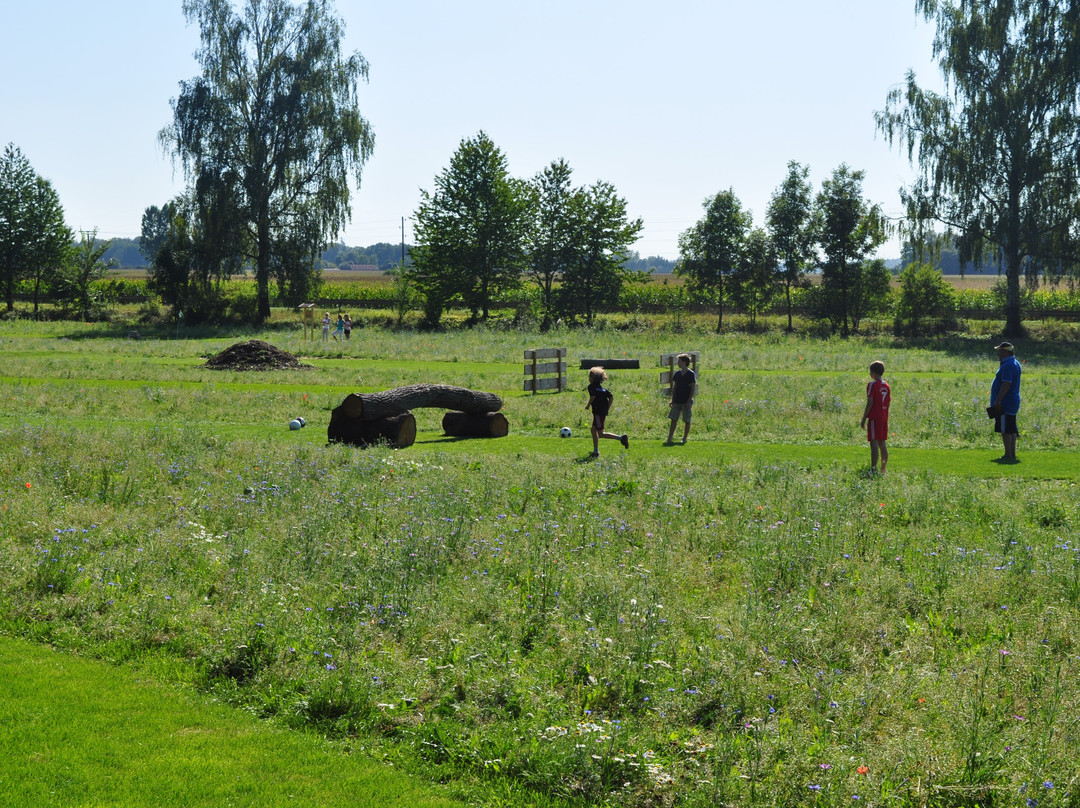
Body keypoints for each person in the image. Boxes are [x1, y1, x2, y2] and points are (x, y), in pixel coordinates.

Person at [586, 366, 629, 458]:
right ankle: (595, 452)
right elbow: (611, 397)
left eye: (589, 377)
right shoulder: (603, 389)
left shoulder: (591, 387)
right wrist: (607, 408)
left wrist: (588, 405)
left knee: (600, 433)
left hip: (597, 413)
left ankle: (621, 438)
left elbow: (592, 397)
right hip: (601, 412)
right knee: (593, 430)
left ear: (593, 378)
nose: (588, 379)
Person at [990, 341, 1021, 462]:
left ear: (1005, 352)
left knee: (1005, 430)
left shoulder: (1008, 365)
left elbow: (1006, 384)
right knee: (1011, 428)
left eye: (1000, 351)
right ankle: (1011, 454)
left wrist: (998, 401)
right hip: (1012, 401)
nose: (998, 353)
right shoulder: (1015, 363)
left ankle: (1008, 454)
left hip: (1005, 402)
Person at [860, 360, 891, 474]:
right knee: (882, 443)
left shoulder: (872, 385)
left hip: (874, 417)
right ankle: (883, 470)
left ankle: (873, 468)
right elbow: (888, 403)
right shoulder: (886, 385)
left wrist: (864, 418)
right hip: (884, 417)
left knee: (873, 442)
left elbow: (870, 402)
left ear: (873, 373)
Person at [666, 353, 697, 444]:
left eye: (679, 361)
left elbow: (692, 389)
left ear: (684, 362)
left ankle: (684, 438)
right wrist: (672, 400)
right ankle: (670, 438)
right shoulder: (677, 374)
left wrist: (688, 401)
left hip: (686, 401)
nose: (677, 363)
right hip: (677, 401)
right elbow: (675, 387)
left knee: (687, 420)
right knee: (673, 419)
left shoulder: (691, 374)